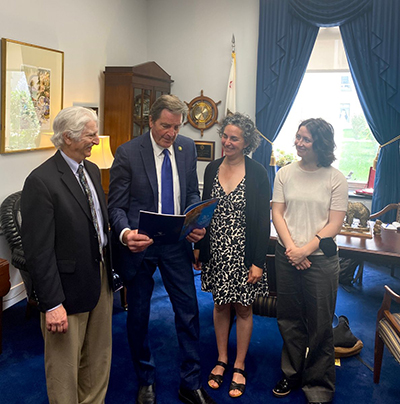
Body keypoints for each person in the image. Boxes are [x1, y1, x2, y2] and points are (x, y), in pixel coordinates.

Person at [108, 94, 216, 404]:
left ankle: (190, 381)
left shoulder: (186, 149)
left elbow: (192, 192)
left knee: (188, 312)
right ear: (151, 121)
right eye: (165, 127)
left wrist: (197, 223)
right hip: (140, 245)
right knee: (139, 314)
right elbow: (115, 205)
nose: (171, 134)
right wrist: (125, 233)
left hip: (175, 244)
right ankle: (145, 379)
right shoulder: (128, 153)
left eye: (176, 128)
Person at [20, 106, 114, 404]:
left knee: (98, 357)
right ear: (67, 138)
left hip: (99, 278)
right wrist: (52, 304)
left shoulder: (92, 171)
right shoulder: (41, 181)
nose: (96, 141)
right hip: (65, 288)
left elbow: (99, 226)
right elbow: (39, 251)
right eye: (90, 135)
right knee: (64, 367)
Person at [271, 118, 348, 404]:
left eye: (306, 139)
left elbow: (334, 224)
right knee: (289, 319)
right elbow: (277, 213)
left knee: (320, 324)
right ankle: (291, 374)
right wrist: (292, 248)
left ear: (321, 144)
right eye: (298, 137)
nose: (299, 143)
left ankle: (318, 385)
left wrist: (305, 250)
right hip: (287, 256)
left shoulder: (335, 178)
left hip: (320, 260)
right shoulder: (284, 173)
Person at [194, 113, 270, 398]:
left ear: (246, 141)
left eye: (233, 138)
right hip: (218, 252)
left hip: (244, 253)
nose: (226, 142)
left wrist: (257, 262)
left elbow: (263, 221)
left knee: (244, 308)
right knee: (220, 305)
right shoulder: (211, 168)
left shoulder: (258, 173)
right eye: (224, 136)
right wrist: (199, 248)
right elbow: (205, 212)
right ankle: (222, 358)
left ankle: (239, 365)